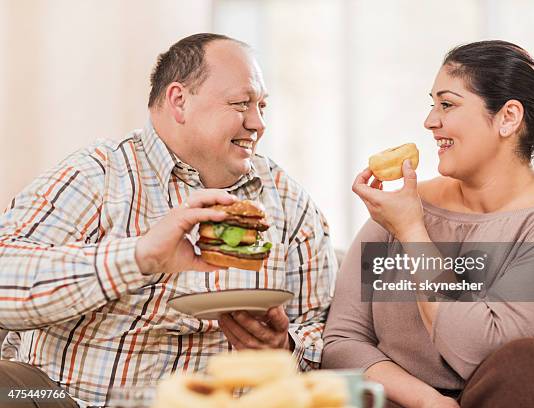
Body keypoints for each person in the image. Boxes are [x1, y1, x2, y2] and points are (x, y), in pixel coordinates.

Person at [0, 33, 336, 407]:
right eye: (241, 104)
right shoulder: (100, 175)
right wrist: (138, 257)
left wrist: (284, 347)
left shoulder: (289, 204)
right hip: (67, 399)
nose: (258, 124)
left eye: (262, 106)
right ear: (179, 101)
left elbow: (324, 335)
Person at [322, 40, 534, 408]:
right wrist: (427, 401)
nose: (430, 121)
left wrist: (413, 234)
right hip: (406, 404)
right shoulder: (404, 205)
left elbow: (478, 352)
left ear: (508, 117)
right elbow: (342, 340)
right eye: (432, 104)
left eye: (447, 104)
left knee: (530, 365)